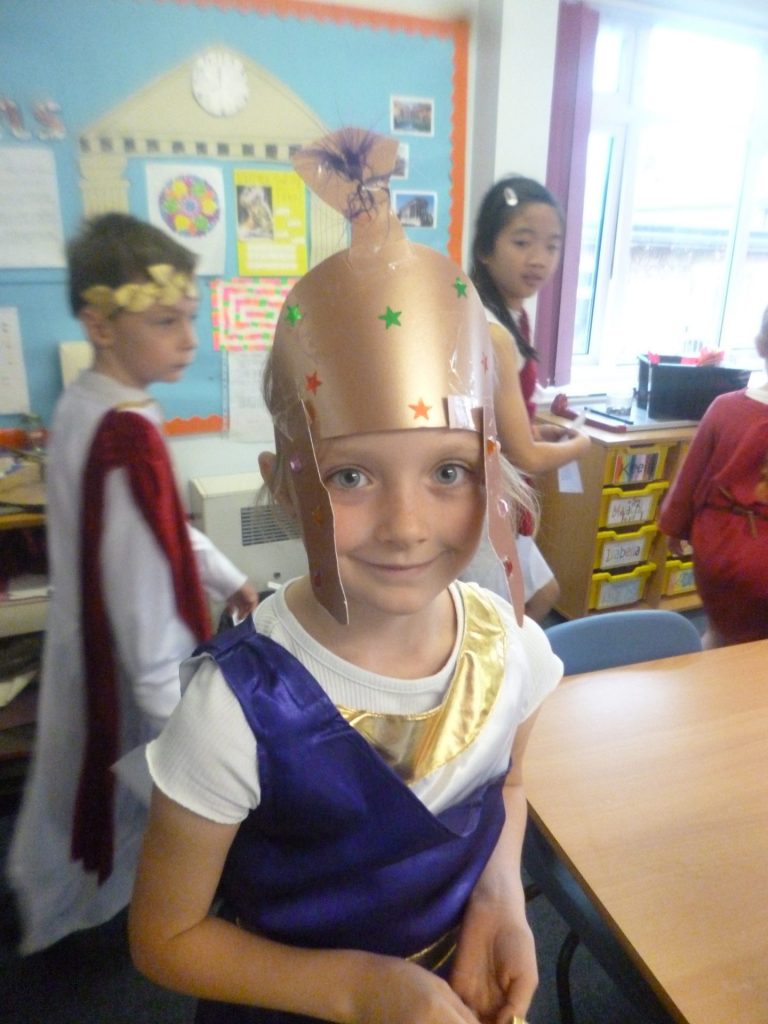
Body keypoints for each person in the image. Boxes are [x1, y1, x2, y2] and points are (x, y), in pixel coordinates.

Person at [128, 128, 563, 1024]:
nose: (407, 526)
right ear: (284, 486)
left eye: (448, 471)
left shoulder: (512, 650)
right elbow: (165, 937)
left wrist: (500, 899)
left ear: (491, 470)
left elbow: (508, 789)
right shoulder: (235, 712)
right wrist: (361, 991)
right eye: (352, 476)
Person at [7, 213, 259, 955]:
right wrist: (178, 721)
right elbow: (142, 587)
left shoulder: (88, 403)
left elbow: (162, 529)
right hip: (138, 661)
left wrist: (227, 576)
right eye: (165, 321)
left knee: (84, 775)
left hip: (100, 641)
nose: (190, 340)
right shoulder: (124, 434)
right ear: (100, 323)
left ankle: (85, 893)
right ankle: (140, 916)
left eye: (190, 318)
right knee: (143, 794)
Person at [462, 176, 590, 621]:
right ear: (485, 248)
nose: (539, 259)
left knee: (541, 593)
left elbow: (492, 416)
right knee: (496, 617)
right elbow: (526, 457)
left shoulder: (509, 316)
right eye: (522, 242)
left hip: (494, 488)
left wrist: (533, 427)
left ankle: (515, 657)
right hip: (479, 499)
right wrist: (580, 445)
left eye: (552, 246)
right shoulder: (493, 330)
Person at [659, 306, 768, 648]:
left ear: (760, 345)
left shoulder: (725, 408)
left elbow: (689, 478)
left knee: (720, 632)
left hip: (719, 547)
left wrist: (674, 527)